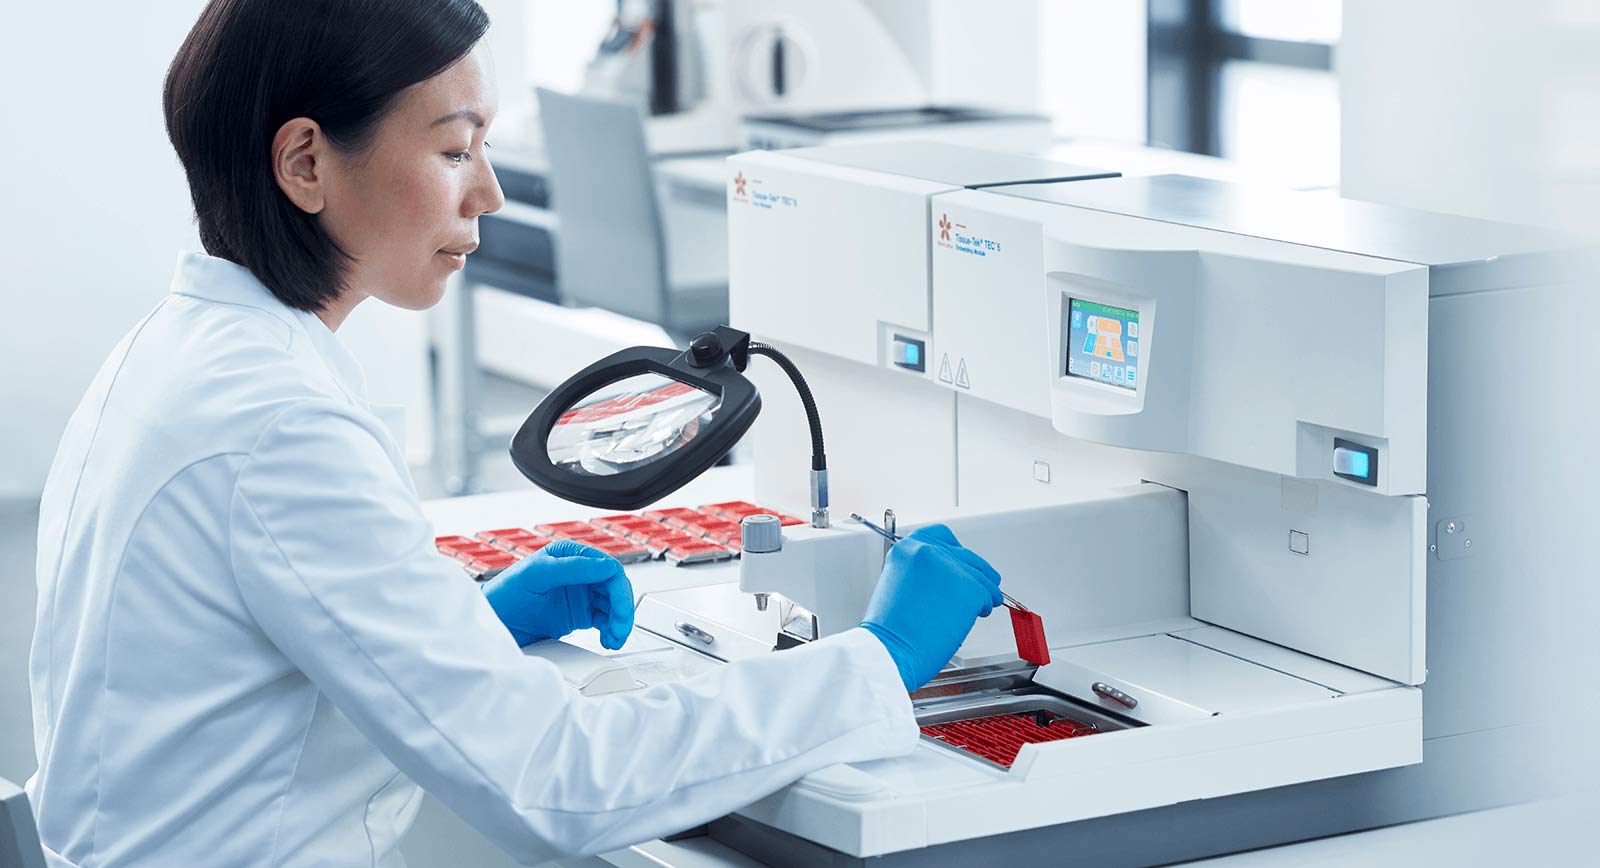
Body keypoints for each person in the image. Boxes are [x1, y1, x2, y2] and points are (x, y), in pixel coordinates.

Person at [26, 1, 1004, 865]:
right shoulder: (280, 423)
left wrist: (464, 628)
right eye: (455, 150)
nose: (487, 192)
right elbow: (558, 779)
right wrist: (877, 659)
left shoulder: (178, 352)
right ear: (306, 163)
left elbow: (226, 678)